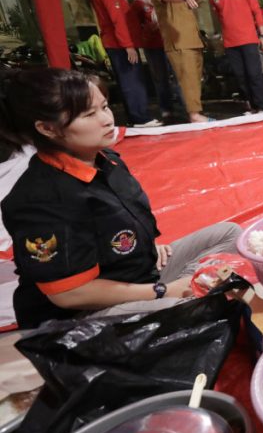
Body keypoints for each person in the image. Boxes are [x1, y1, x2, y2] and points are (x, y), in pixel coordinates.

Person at [0, 68, 242, 329]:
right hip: (81, 315)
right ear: (47, 128)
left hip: (136, 277)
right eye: (89, 114)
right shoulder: (42, 200)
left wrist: (145, 247)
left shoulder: (107, 160)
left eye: (104, 107)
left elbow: (120, 223)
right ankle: (186, 295)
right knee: (208, 308)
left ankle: (189, 291)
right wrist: (162, 291)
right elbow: (69, 294)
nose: (106, 119)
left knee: (230, 234)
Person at [88, 0, 160, 128]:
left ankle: (135, 116)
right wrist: (128, 45)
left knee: (128, 80)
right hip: (119, 44)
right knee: (132, 81)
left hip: (115, 43)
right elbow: (118, 19)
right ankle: (140, 117)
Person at [149, 0, 210, 124]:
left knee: (195, 79)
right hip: (179, 44)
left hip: (192, 41)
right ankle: (194, 115)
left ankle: (197, 112)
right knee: (188, 80)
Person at [206, 0, 263, 112]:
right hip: (230, 42)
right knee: (240, 76)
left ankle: (262, 106)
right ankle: (250, 104)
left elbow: (257, 11)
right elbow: (221, 17)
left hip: (248, 39)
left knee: (254, 74)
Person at [129, 0, 175, 121]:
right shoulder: (138, 3)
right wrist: (149, 29)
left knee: (175, 76)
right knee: (160, 78)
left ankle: (180, 106)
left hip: (170, 42)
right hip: (153, 45)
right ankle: (166, 109)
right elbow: (134, 26)